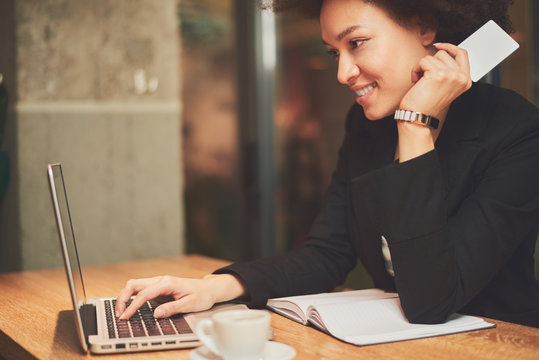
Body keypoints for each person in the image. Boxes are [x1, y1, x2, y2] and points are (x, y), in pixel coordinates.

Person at [116, 0, 539, 327]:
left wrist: (414, 125)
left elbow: (432, 300)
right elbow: (328, 253)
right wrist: (214, 288)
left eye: (356, 43)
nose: (342, 72)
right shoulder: (367, 126)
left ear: (424, 26)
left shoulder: (517, 133)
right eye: (334, 51)